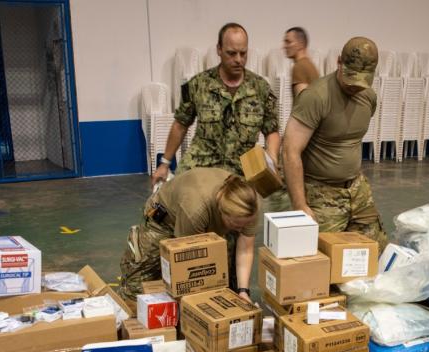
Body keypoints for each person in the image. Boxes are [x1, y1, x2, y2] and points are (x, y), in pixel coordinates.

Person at [282, 36, 386, 246]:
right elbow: (289, 151)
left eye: (361, 81)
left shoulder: (369, 97)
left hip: (357, 188)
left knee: (375, 251)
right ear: (339, 62)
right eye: (350, 77)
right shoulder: (316, 97)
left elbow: (350, 141)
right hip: (321, 193)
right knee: (322, 263)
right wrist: (300, 205)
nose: (354, 86)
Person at [151, 23, 280, 185]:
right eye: (231, 53)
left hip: (242, 170)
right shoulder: (197, 84)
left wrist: (272, 157)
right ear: (219, 49)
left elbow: (272, 130)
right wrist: (164, 164)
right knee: (171, 203)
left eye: (243, 53)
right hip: (201, 165)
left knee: (276, 199)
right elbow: (180, 124)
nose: (238, 60)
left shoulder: (261, 88)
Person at [119, 168, 260, 301]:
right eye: (237, 225)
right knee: (135, 289)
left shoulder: (248, 205)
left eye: (245, 225)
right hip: (164, 219)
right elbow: (186, 262)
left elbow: (246, 249)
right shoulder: (195, 210)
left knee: (224, 283)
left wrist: (243, 291)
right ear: (222, 213)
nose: (241, 229)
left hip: (205, 215)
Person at [283, 26, 319, 98]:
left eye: (288, 42)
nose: (284, 46)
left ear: (300, 44)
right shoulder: (309, 65)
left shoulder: (299, 67)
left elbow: (302, 104)